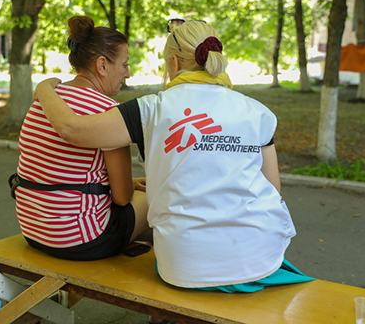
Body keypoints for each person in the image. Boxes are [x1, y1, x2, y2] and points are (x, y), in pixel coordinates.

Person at [32, 19, 314, 291]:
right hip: (260, 259)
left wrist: (44, 88)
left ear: (174, 63)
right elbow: (272, 188)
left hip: (182, 268)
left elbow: (71, 129)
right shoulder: (259, 112)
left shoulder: (148, 109)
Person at [12, 15, 149, 261]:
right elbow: (121, 196)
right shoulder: (109, 111)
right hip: (81, 239)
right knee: (158, 197)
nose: (127, 74)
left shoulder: (45, 99)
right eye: (125, 65)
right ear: (103, 65)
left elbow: (63, 168)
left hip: (33, 229)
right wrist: (128, 184)